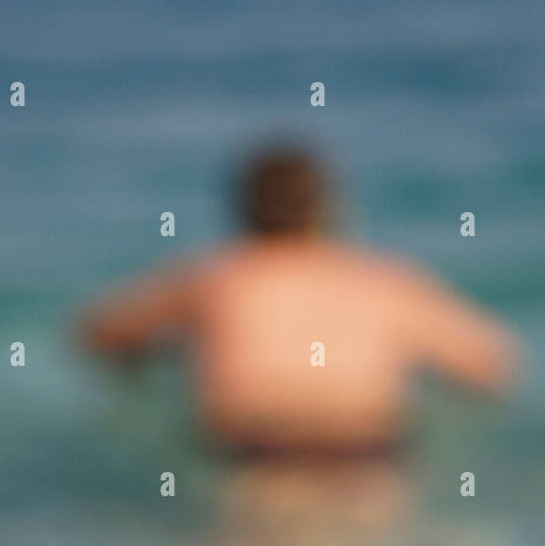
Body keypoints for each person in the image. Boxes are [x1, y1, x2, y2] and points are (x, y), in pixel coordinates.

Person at [76, 147, 521, 454]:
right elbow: (491, 365)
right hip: (365, 450)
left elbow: (98, 333)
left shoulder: (215, 276)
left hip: (254, 449)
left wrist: (165, 351)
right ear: (330, 210)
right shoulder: (383, 281)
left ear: (239, 211)